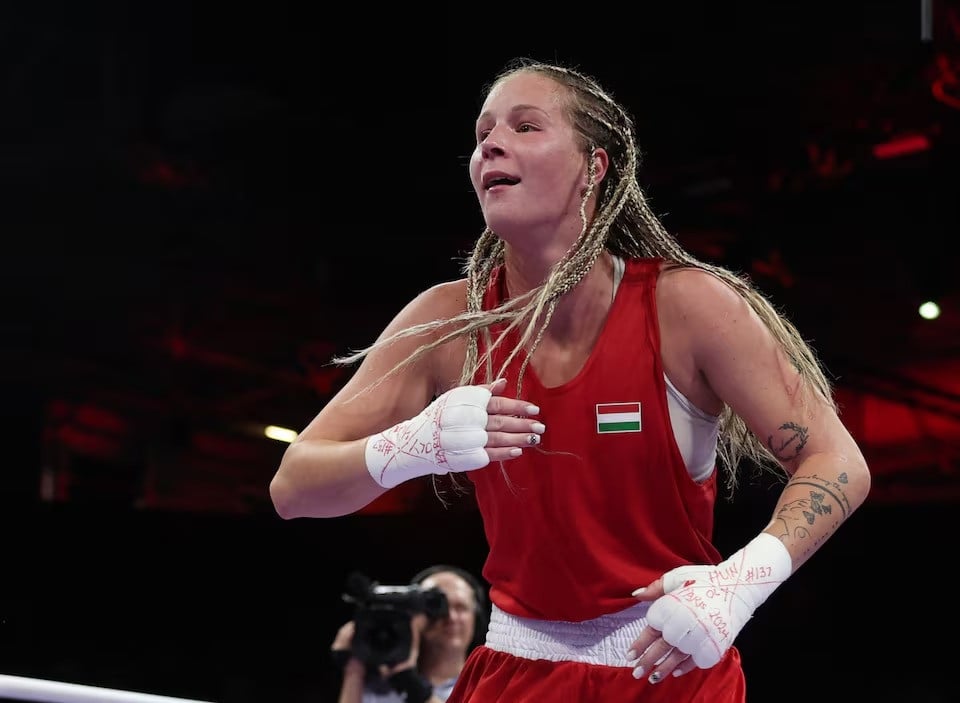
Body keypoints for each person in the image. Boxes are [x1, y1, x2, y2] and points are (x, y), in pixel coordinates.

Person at [270, 57, 871, 701]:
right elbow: (293, 486)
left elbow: (837, 459)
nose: (490, 144)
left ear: (594, 168)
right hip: (512, 671)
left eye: (526, 126)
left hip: (668, 666)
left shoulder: (689, 306)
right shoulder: (446, 323)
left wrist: (744, 579)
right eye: (482, 135)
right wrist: (407, 448)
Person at [331, 565, 488, 703]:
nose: (451, 617)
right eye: (437, 607)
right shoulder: (375, 686)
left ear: (477, 619)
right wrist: (354, 670)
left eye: (461, 607)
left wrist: (411, 685)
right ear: (412, 617)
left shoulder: (488, 686)